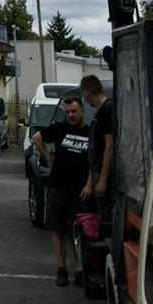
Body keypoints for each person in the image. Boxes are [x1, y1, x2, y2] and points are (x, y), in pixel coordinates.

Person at [32, 95, 90, 288]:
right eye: (67, 112)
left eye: (74, 111)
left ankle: (81, 270)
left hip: (80, 190)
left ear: (82, 111)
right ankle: (61, 269)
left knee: (80, 231)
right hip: (58, 187)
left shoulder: (90, 133)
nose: (70, 115)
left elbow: (95, 163)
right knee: (57, 228)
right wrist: (48, 156)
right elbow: (36, 137)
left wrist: (89, 184)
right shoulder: (59, 129)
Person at [79, 74, 114, 221]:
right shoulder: (103, 111)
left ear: (86, 94)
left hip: (106, 177)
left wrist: (103, 180)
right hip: (97, 174)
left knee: (106, 218)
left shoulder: (106, 111)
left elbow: (110, 146)